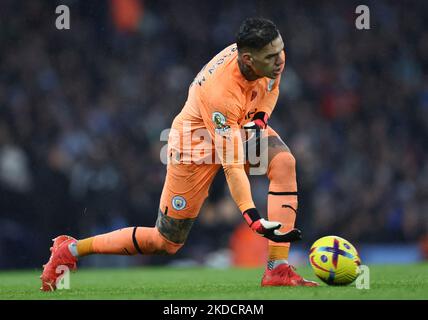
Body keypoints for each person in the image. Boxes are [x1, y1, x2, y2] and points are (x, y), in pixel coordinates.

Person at [40, 17, 318, 291]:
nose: (279, 59)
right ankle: (71, 249)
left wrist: (260, 118)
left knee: (283, 162)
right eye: (271, 56)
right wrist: (253, 218)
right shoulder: (220, 92)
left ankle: (277, 269)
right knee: (165, 242)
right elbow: (232, 166)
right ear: (247, 59)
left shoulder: (270, 55)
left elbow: (271, 88)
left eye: (279, 50)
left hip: (239, 126)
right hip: (193, 147)